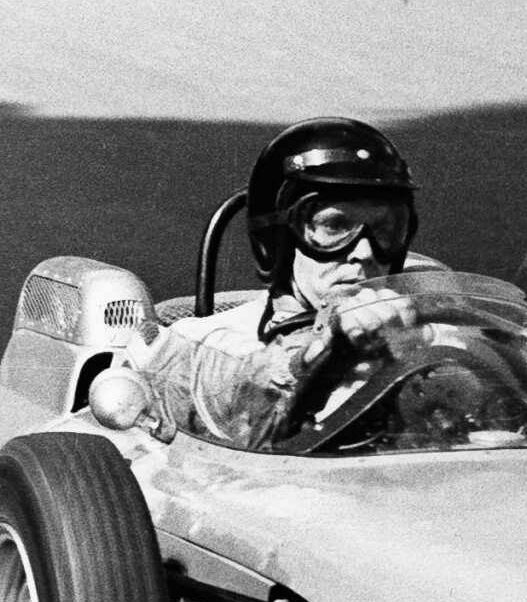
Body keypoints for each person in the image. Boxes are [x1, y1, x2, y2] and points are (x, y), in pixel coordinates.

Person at [145, 117, 427, 447]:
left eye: (385, 228)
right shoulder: (200, 343)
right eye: (334, 226)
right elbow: (230, 390)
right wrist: (323, 352)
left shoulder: (427, 335)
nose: (364, 252)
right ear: (275, 239)